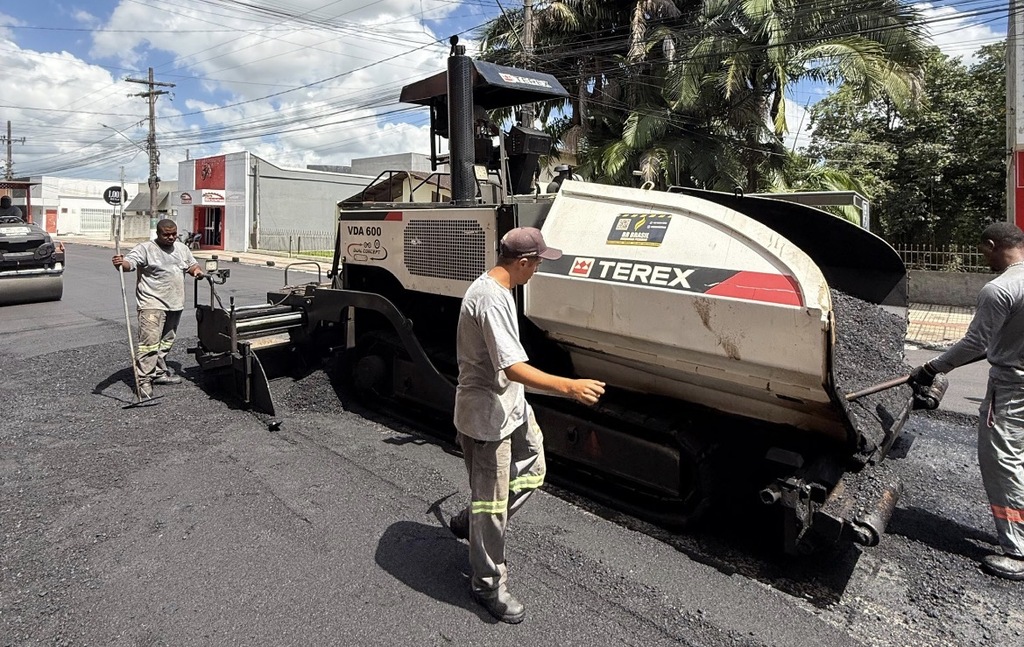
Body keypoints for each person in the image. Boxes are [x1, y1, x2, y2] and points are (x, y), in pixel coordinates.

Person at [449, 226, 606, 623]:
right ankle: (487, 584)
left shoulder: (499, 289)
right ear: (521, 263)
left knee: (533, 469)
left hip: (510, 407)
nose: (538, 269)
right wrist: (569, 386)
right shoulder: (490, 300)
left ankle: (473, 520)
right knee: (492, 501)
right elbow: (512, 367)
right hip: (487, 419)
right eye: (537, 262)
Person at [909, 221, 1024, 581]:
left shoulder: (1000, 289)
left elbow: (975, 343)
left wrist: (931, 367)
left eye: (982, 251)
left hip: (1010, 389)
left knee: (1003, 461)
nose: (982, 257)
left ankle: (1017, 550)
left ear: (991, 245)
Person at [111, 219, 204, 399]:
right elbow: (129, 264)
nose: (170, 237)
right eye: (166, 234)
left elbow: (192, 264)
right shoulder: (146, 248)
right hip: (151, 304)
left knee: (166, 341)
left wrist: (197, 272)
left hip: (175, 303)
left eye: (173, 234)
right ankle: (144, 381)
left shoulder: (182, 248)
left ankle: (160, 373)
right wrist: (120, 263)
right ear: (158, 233)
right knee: (149, 343)